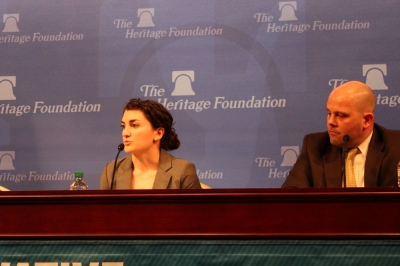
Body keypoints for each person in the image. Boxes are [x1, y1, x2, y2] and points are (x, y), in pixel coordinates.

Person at [282, 81, 400, 188]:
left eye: (340, 115)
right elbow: (290, 196)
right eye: (329, 113)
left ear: (367, 120)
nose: (331, 122)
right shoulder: (314, 147)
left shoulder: (396, 147)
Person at [100, 98, 201, 189]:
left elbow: (196, 210)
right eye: (123, 126)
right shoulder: (111, 171)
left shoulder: (182, 171)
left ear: (158, 133)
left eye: (134, 125)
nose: (125, 133)